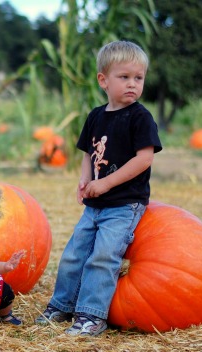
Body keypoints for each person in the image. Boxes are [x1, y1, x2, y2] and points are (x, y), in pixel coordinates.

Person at [35, 40, 162, 336]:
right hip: (95, 205)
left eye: (138, 78)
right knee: (74, 254)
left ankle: (91, 315)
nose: (132, 84)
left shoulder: (140, 117)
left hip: (123, 204)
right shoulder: (96, 116)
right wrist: (85, 179)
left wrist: (104, 183)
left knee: (103, 256)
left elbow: (143, 159)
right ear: (103, 80)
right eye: (124, 77)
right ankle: (62, 304)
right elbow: (87, 154)